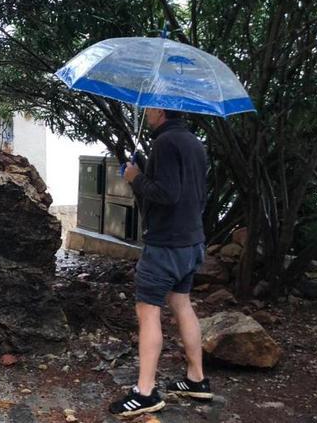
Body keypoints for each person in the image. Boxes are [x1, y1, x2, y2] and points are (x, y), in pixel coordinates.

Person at [108, 108, 213, 417]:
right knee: (182, 303)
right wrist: (143, 168)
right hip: (191, 241)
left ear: (159, 110)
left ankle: (145, 392)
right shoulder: (193, 142)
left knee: (147, 311)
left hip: (165, 244)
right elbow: (191, 193)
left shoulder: (166, 144)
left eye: (149, 108)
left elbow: (166, 194)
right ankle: (197, 380)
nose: (146, 113)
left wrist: (135, 177)